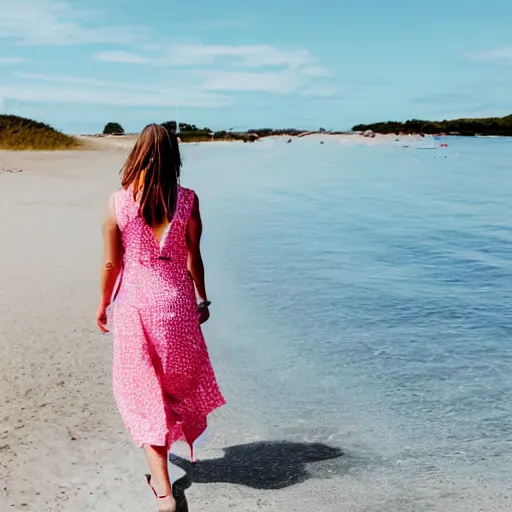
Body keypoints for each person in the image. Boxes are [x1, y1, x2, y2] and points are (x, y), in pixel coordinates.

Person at [96, 124, 225, 512]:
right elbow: (193, 257)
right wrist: (203, 299)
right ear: (175, 158)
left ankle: (165, 492)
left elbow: (111, 262)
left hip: (135, 309)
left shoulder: (119, 202)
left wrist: (102, 304)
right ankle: (165, 475)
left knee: (144, 396)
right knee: (169, 391)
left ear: (137, 154)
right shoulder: (187, 199)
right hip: (178, 308)